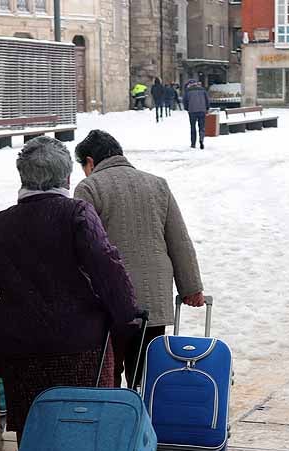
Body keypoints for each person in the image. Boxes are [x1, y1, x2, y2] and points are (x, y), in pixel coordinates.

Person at [0, 137, 138, 445]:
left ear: (23, 176)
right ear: (66, 176)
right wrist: (125, 316)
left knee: (34, 430)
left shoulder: (2, 222)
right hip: (80, 346)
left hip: (22, 348)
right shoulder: (77, 213)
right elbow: (107, 269)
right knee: (85, 430)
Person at [73, 130, 205, 388]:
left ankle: (115, 425)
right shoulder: (157, 184)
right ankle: (144, 424)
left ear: (90, 162)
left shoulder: (89, 187)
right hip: (153, 298)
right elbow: (178, 239)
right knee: (146, 378)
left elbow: (83, 246)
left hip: (108, 303)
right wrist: (192, 288)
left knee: (108, 376)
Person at [183, 79, 210, 150]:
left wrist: (187, 108)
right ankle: (201, 139)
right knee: (202, 127)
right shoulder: (203, 90)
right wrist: (207, 108)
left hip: (192, 111)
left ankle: (193, 143)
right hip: (202, 110)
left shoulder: (188, 91)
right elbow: (207, 100)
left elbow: (185, 101)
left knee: (193, 127)